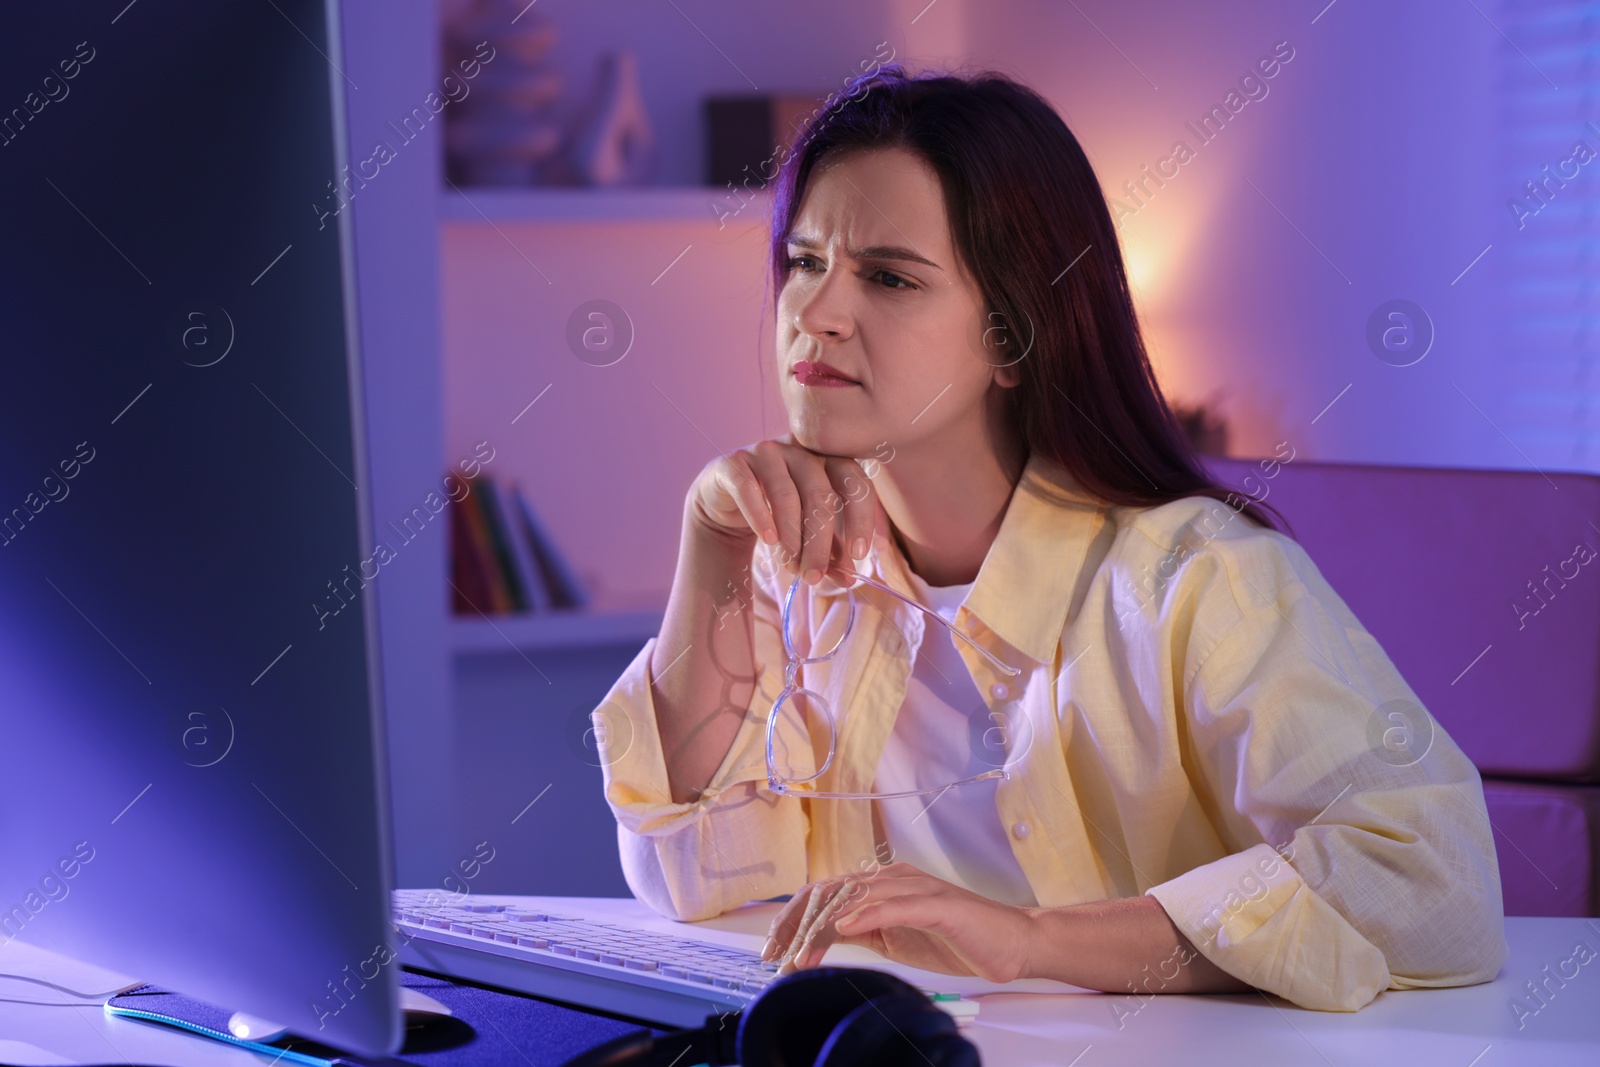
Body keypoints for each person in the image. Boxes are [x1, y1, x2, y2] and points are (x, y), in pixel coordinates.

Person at [591, 63, 1506, 1012]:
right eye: (805, 261)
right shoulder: (795, 568)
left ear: (1013, 338)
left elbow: (1433, 885)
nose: (813, 315)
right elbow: (689, 875)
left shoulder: (1193, 577)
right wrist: (712, 545)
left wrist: (1032, 941)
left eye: (889, 277)